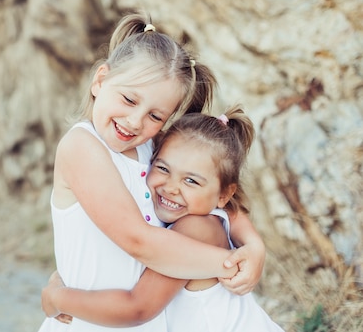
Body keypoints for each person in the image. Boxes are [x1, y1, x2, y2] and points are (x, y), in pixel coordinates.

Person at [38, 11, 266, 332]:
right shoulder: (82, 147)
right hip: (87, 322)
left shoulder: (153, 150)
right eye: (129, 99)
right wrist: (229, 263)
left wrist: (253, 246)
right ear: (100, 80)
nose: (135, 121)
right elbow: (138, 241)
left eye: (155, 116)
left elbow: (217, 197)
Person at [41, 106, 284, 332]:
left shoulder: (195, 227)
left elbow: (138, 307)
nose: (171, 188)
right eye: (163, 169)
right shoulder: (189, 215)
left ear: (223, 195)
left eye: (191, 181)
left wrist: (57, 298)